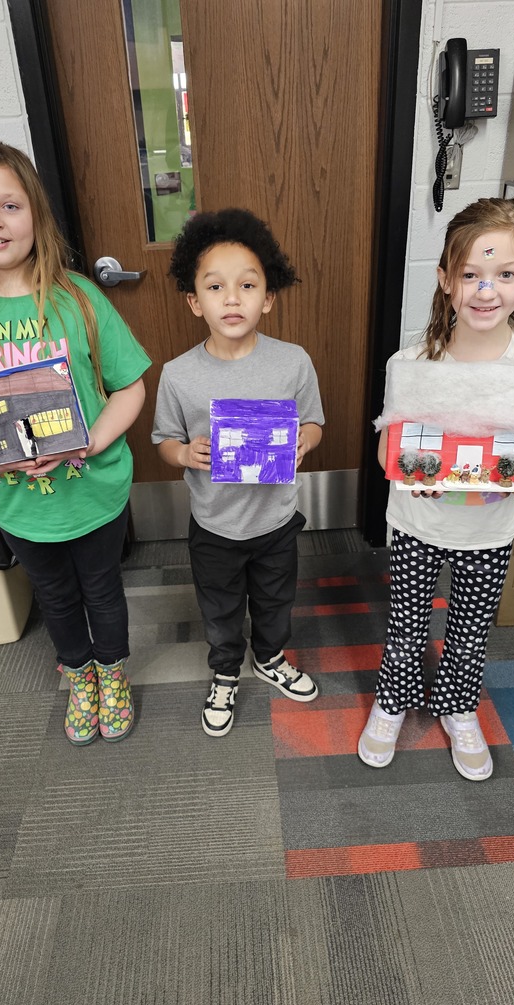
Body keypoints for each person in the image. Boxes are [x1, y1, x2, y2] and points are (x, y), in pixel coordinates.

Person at [0, 140, 151, 747]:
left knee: (103, 590)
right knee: (55, 596)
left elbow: (131, 389)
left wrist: (90, 443)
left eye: (10, 204)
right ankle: (80, 675)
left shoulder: (79, 299)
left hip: (93, 489)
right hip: (18, 502)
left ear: (35, 214)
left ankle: (112, 672)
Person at [358, 197, 514, 781]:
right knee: (406, 621)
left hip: (492, 528)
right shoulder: (414, 360)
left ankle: (457, 706)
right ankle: (393, 700)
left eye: (504, 275)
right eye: (471, 275)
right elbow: (388, 445)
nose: (486, 290)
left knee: (470, 628)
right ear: (446, 281)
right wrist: (405, 470)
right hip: (417, 523)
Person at [152, 208, 324, 736]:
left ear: (268, 298)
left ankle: (268, 658)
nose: (232, 298)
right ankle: (225, 669)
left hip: (275, 520)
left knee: (276, 600)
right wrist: (185, 455)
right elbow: (163, 440)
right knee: (220, 607)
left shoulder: (292, 361)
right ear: (193, 300)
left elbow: (315, 422)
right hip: (215, 526)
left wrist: (303, 442)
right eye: (215, 287)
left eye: (247, 285)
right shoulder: (178, 375)